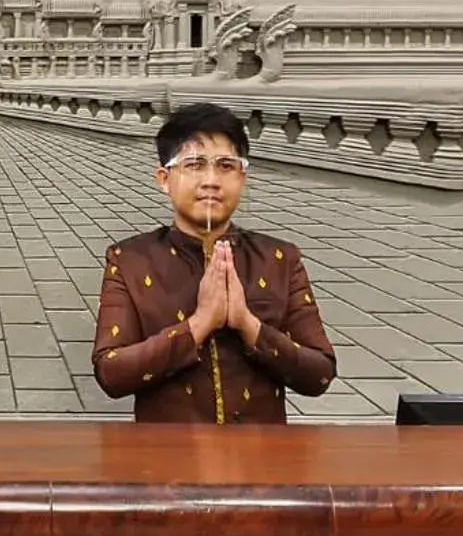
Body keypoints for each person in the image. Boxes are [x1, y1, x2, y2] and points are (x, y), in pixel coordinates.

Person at [93, 102, 336, 424]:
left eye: (225, 165)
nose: (211, 180)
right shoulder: (130, 260)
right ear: (165, 179)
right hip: (163, 460)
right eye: (194, 164)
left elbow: (320, 374)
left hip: (264, 460)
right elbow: (111, 373)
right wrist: (199, 324)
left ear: (242, 178)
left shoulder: (280, 259)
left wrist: (248, 325)